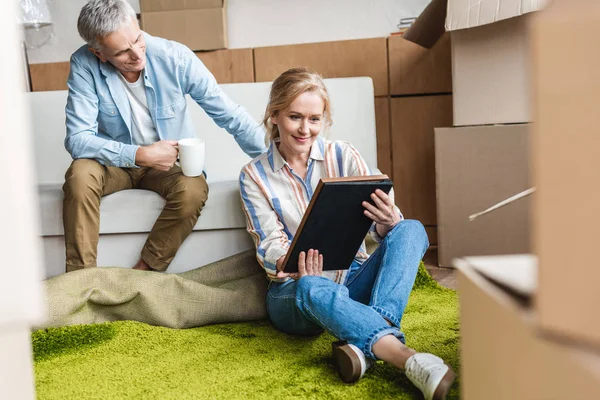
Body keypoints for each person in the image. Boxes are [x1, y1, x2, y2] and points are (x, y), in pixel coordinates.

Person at [239, 67, 455, 400]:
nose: (305, 129)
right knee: (313, 284)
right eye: (295, 117)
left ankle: (363, 345)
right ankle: (407, 359)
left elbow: (379, 228)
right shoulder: (254, 175)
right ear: (274, 115)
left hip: (352, 276)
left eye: (315, 119)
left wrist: (386, 221)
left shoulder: (343, 154)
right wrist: (292, 262)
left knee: (409, 228)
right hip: (294, 291)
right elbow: (270, 251)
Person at [63, 0, 266, 273]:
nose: (137, 54)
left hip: (167, 166)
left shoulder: (175, 57)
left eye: (138, 39)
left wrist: (277, 160)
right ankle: (80, 280)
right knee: (80, 174)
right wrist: (140, 154)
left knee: (194, 188)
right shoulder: (84, 64)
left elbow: (229, 114)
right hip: (113, 165)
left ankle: (142, 275)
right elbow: (77, 139)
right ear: (99, 54)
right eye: (123, 52)